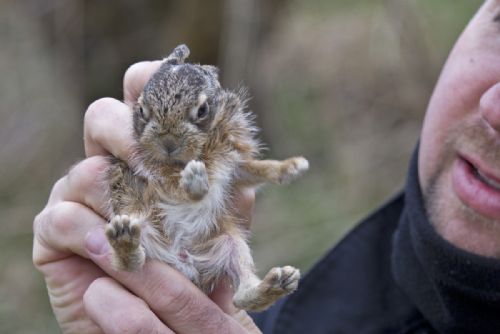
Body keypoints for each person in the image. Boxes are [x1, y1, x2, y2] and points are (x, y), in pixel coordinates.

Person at [32, 1, 500, 333]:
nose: (494, 108)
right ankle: (139, 253)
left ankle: (245, 282)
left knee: (230, 240)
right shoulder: (328, 303)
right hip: (164, 242)